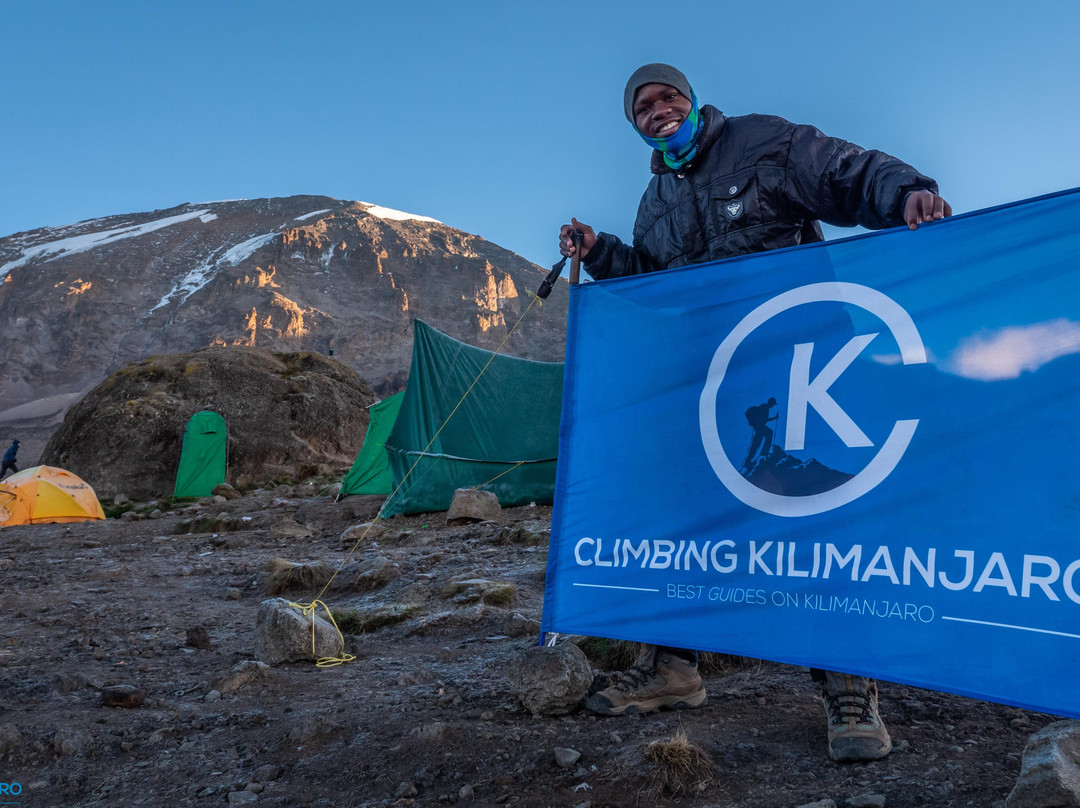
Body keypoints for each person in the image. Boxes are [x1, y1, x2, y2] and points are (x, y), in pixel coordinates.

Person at [559, 63, 951, 762]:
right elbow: (655, 283)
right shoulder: (655, 203)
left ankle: (847, 685)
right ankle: (673, 668)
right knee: (689, 514)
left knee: (814, 512)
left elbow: (845, 172)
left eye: (667, 96)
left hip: (800, 366)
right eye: (642, 106)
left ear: (691, 98)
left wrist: (908, 193)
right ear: (636, 125)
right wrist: (604, 254)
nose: (658, 109)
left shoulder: (763, 142)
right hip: (715, 386)